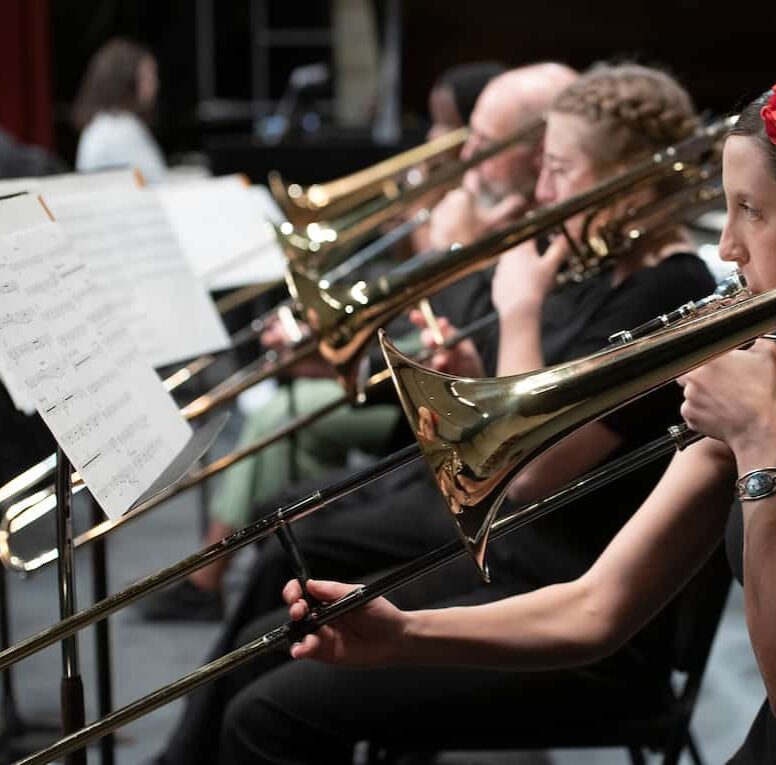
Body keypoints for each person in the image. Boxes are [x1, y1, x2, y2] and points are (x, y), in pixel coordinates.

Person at [283, 74, 776, 764]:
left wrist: (758, 445)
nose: (725, 244)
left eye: (751, 211)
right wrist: (405, 634)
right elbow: (596, 606)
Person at [155, 63, 716, 764]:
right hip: (512, 564)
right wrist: (476, 377)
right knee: (267, 642)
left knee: (269, 709)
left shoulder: (669, 294)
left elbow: (532, 473)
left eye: (559, 170)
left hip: (571, 616)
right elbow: (537, 419)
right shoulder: (604, 269)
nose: (540, 193)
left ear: (626, 179)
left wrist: (519, 308)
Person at [139, 63, 573, 622]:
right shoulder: (472, 201)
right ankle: (218, 580)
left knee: (274, 427)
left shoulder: (508, 220)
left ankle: (210, 578)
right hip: (429, 394)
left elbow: (456, 320)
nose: (447, 147)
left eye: (469, 136)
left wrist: (454, 240)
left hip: (450, 437)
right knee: (279, 457)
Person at [73, 38, 167, 182]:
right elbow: (156, 182)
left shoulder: (102, 125)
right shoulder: (120, 130)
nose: (155, 85)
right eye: (148, 77)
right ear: (126, 80)